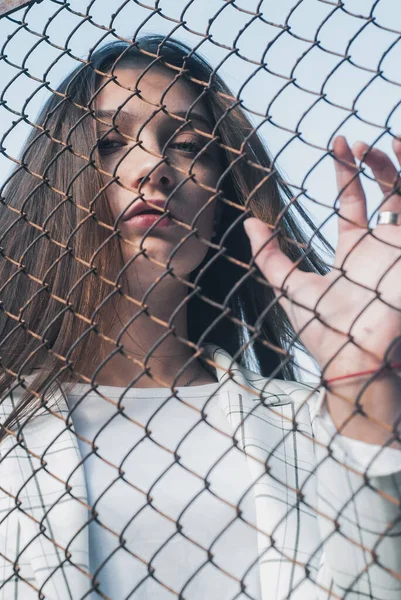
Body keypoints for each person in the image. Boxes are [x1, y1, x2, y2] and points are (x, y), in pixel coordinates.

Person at [0, 33, 400, 600]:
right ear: (53, 185)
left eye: (189, 145)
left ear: (225, 203)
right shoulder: (8, 428)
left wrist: (366, 371)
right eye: (110, 143)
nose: (154, 168)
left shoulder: (311, 424)